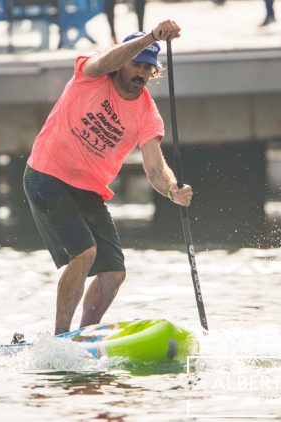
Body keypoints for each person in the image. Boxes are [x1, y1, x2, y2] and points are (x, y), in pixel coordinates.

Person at [23, 20, 193, 335]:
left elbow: (155, 169)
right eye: (137, 64)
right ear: (120, 63)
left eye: (148, 68)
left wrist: (172, 189)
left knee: (114, 273)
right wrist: (151, 37)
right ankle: (60, 337)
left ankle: (84, 337)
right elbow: (106, 60)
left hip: (87, 190)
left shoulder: (146, 113)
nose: (142, 73)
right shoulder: (92, 74)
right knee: (85, 252)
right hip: (47, 175)